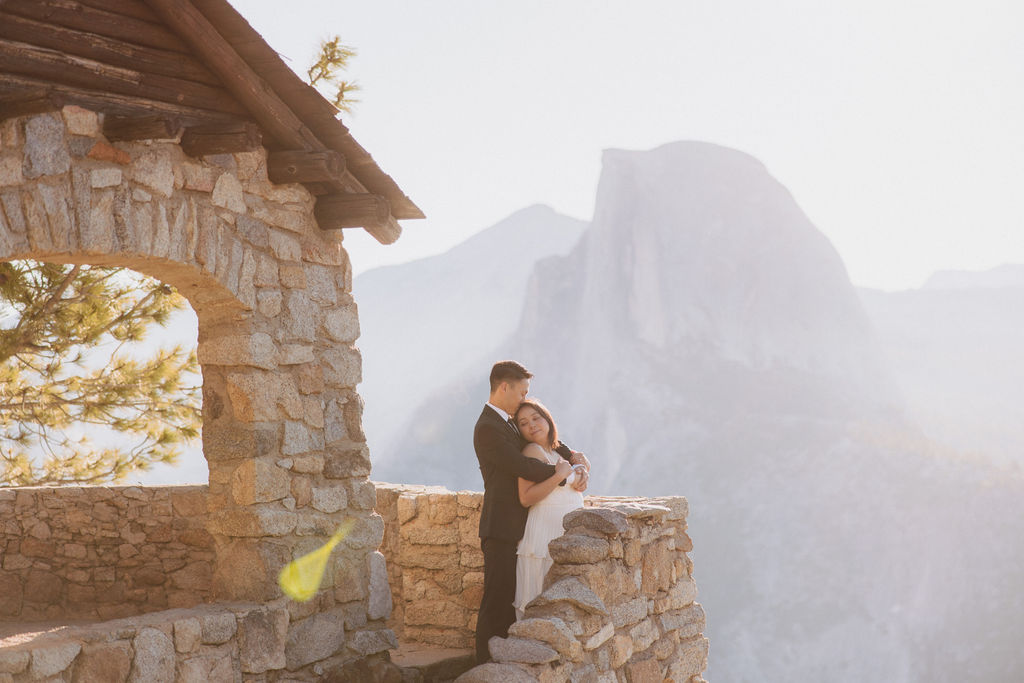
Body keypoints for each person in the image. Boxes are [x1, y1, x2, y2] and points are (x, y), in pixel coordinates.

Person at [472, 360, 589, 664]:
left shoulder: (507, 421)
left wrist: (573, 457)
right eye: (522, 392)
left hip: (520, 526)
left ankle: (502, 661)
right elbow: (521, 465)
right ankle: (483, 665)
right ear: (504, 387)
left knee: (508, 596)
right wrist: (560, 473)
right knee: (496, 599)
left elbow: (544, 439)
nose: (524, 398)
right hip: (500, 527)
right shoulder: (487, 426)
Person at [512, 398, 586, 619]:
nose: (531, 425)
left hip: (567, 529)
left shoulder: (558, 451)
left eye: (536, 418)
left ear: (548, 420)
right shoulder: (532, 451)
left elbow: (573, 473)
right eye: (523, 423)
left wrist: (582, 469)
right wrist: (558, 477)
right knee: (544, 594)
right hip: (545, 530)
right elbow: (525, 498)